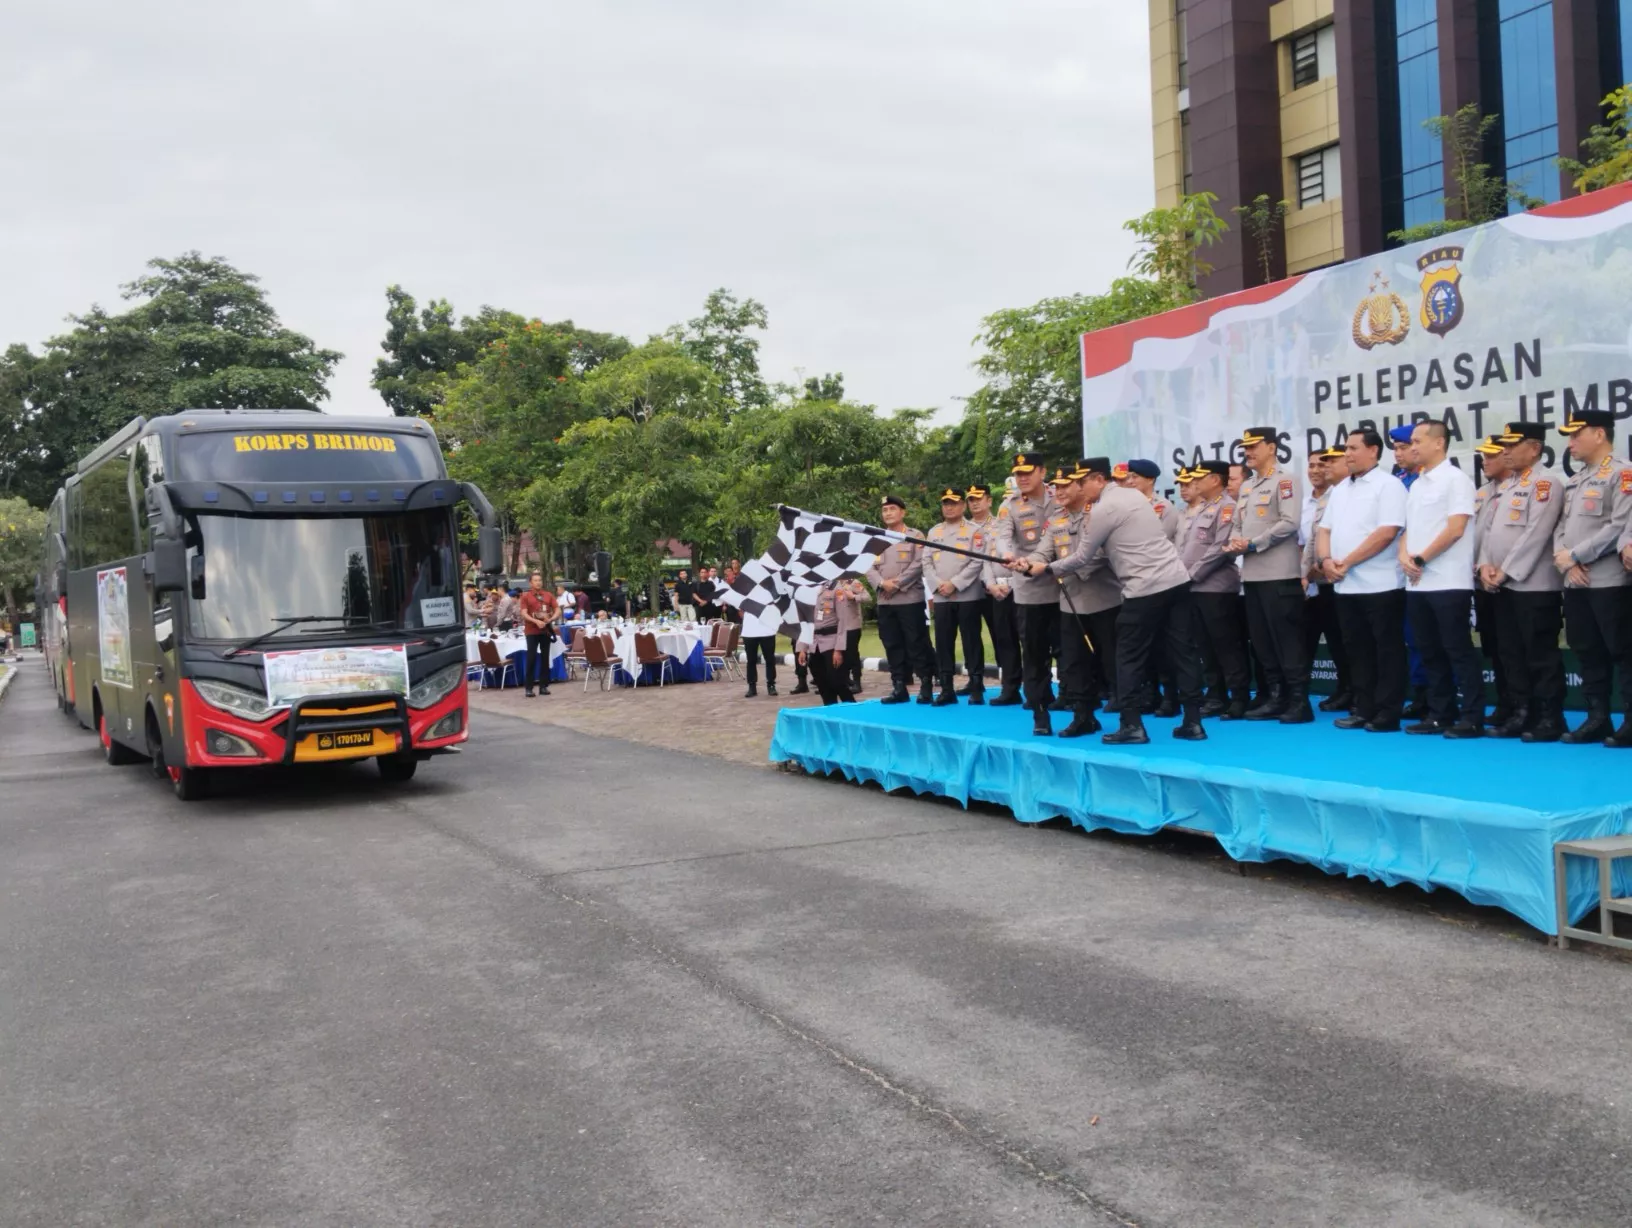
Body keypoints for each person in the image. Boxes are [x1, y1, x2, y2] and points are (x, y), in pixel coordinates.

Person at [1031, 456, 1205, 744]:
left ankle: (1132, 725)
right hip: (1176, 581)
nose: (1080, 488)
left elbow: (1084, 555)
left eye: (1082, 482)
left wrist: (1047, 569)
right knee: (1183, 652)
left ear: (1100, 479)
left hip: (1144, 588)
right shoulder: (1134, 496)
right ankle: (1194, 721)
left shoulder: (1104, 508)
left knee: (1127, 657)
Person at [1022, 461, 1122, 736]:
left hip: (1106, 599)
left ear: (1080, 485)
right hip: (1071, 602)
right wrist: (1027, 563)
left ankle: (1130, 718)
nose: (1060, 491)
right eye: (1056, 486)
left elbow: (1100, 556)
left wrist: (1055, 567)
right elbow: (1043, 552)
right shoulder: (1056, 521)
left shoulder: (1099, 514)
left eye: (1066, 485)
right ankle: (1084, 716)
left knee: (1114, 661)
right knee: (1074, 662)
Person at [1316, 429, 1407, 732]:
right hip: (1345, 584)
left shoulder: (1389, 485)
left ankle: (1387, 712)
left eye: (1354, 448)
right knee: (1358, 651)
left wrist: (1347, 561)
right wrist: (1326, 561)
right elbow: (1324, 530)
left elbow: (1387, 532)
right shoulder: (1341, 488)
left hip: (1380, 585)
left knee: (1387, 651)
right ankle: (1363, 707)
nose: (1348, 454)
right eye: (1346, 448)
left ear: (1373, 451)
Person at [1479, 422, 1565, 741]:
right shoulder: (1507, 485)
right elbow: (1489, 531)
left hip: (1533, 585)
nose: (1506, 452)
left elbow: (1536, 534)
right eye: (1505, 446)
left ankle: (1549, 718)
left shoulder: (1545, 483)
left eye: (1513, 446)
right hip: (1501, 585)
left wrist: (1505, 570)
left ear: (1535, 448)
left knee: (1540, 653)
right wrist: (1486, 564)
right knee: (1511, 652)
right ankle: (1522, 712)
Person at [1398, 420, 1483, 736]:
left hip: (1448, 581)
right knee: (1428, 649)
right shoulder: (1417, 483)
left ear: (1439, 443)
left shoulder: (1455, 479)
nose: (1413, 446)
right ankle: (1440, 713)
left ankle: (1472, 716)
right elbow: (1408, 528)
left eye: (1418, 440)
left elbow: (1456, 528)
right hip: (1418, 581)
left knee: (1457, 649)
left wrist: (1421, 558)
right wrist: (1404, 556)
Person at [1555, 409, 1632, 745]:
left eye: (1576, 435)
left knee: (1623, 651)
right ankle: (1597, 718)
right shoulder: (1574, 480)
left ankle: (1629, 720)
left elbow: (1618, 526)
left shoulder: (1623, 473)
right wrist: (1566, 561)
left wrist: (1576, 555)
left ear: (1599, 435)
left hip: (1609, 581)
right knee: (1586, 650)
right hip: (1576, 581)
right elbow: (1561, 528)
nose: (1570, 443)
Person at [1226, 426, 1310, 723]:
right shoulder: (1248, 486)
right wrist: (1236, 542)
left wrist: (1254, 544)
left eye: (1254, 446)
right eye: (1245, 448)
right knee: (1262, 641)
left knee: (1287, 640)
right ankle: (1276, 697)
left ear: (1271, 448)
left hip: (1279, 574)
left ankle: (1300, 701)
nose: (1248, 453)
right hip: (1252, 576)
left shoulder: (1285, 480)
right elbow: (1238, 522)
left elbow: (1290, 522)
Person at [993, 453, 1063, 734]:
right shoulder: (1009, 505)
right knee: (1034, 655)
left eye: (1028, 472)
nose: (1022, 477)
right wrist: (1007, 554)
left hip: (1065, 586)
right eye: (1018, 473)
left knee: (1070, 653)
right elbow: (1001, 536)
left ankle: (1080, 707)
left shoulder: (1060, 496)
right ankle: (1040, 711)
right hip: (1029, 590)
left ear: (1042, 472)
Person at [1184, 459, 1253, 719]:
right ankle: (1215, 696)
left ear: (1215, 480)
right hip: (1195, 588)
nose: (1195, 483)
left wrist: (1192, 574)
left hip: (1216, 588)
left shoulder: (1227, 508)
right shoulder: (1202, 508)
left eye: (1200, 478)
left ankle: (1239, 697)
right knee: (1205, 646)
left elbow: (1221, 548)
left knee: (1226, 644)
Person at [866, 495, 937, 705]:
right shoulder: (876, 538)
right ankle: (899, 685)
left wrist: (897, 583)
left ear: (902, 512)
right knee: (892, 643)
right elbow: (868, 566)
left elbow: (920, 563)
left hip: (909, 598)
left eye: (892, 509)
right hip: (885, 601)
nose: (888, 513)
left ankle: (925, 684)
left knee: (917, 642)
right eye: (885, 510)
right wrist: (881, 583)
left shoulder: (914, 536)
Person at [924, 487, 989, 705]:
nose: (949, 507)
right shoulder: (934, 532)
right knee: (943, 643)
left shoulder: (974, 531)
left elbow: (978, 560)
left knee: (971, 641)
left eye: (954, 503)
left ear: (962, 505)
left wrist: (955, 584)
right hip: (941, 596)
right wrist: (938, 585)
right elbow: (926, 562)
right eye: (945, 503)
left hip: (967, 595)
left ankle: (976, 686)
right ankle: (946, 688)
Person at [1301, 446, 1353, 712]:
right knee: (1320, 640)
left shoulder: (1341, 494)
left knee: (1342, 640)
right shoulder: (1307, 502)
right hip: (1312, 584)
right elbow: (1307, 541)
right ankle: (1342, 689)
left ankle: (1350, 690)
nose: (1317, 470)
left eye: (1323, 464)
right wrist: (1304, 573)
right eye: (1312, 465)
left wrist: (1320, 566)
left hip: (1337, 577)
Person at [1471, 437, 1515, 728]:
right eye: (1483, 456)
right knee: (1494, 648)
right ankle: (1505, 703)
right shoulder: (1481, 492)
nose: (1485, 461)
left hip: (1511, 581)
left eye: (1491, 455)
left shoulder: (1522, 488)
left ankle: (1523, 706)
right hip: (1481, 580)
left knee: (1514, 648)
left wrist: (1500, 568)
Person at [1390, 422, 1432, 718]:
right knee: (1410, 635)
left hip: (1427, 567)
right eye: (1396, 448)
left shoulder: (1430, 479)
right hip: (1398, 570)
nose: (1399, 453)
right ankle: (1419, 692)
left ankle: (1437, 693)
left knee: (1428, 636)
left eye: (1404, 447)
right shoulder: (1398, 480)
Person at [966, 482, 1022, 703]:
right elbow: (985, 561)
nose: (1008, 506)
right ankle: (1010, 687)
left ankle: (1037, 689)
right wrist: (991, 584)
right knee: (1004, 641)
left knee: (1030, 641)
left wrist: (1013, 584)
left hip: (1021, 589)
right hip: (996, 590)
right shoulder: (995, 531)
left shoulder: (1026, 530)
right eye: (1006, 501)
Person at [795, 581, 859, 705]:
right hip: (814, 643)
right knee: (822, 682)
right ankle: (830, 710)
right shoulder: (806, 589)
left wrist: (839, 649)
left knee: (837, 681)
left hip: (832, 641)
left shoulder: (836, 589)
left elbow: (842, 620)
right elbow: (804, 621)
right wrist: (802, 647)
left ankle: (853, 709)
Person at [517, 571, 558, 697]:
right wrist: (536, 621)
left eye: (540, 580)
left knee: (545, 658)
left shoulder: (548, 595)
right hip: (532, 631)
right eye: (535, 580)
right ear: (530, 582)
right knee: (531, 658)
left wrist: (550, 619)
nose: (538, 582)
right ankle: (529, 688)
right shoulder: (525, 596)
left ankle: (543, 686)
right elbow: (524, 613)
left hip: (545, 630)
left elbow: (557, 609)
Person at [1123, 458, 1183, 542]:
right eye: (1128, 477)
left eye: (1134, 477)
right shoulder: (1126, 506)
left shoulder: (1165, 507)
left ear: (1150, 480)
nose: (1129, 481)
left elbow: (1163, 540)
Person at [740, 593, 782, 699]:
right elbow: (740, 610)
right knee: (751, 660)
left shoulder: (769, 591)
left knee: (769, 659)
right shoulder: (744, 591)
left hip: (767, 630)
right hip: (750, 631)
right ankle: (752, 686)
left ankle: (771, 684)